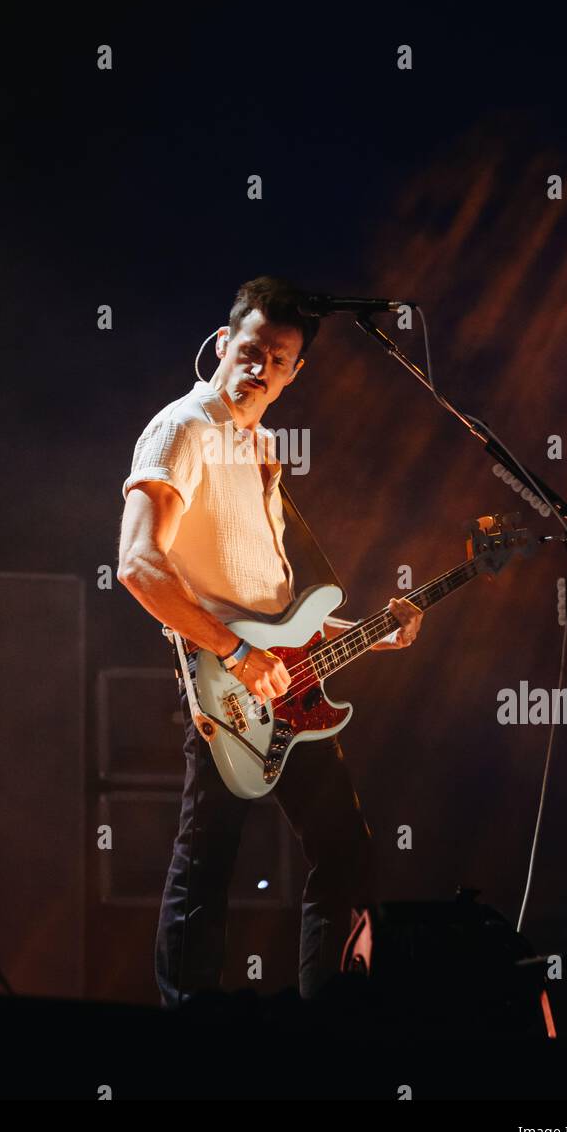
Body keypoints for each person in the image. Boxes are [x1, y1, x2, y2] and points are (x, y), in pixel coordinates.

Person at [117, 276, 423, 1006]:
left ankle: (335, 1015)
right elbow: (138, 564)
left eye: (278, 360)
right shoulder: (183, 427)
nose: (261, 369)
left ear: (296, 371)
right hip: (226, 683)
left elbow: (273, 602)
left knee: (345, 848)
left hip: (281, 680)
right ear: (224, 344)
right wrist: (234, 653)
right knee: (207, 858)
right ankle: (187, 1022)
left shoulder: (261, 448)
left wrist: (373, 633)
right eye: (251, 351)